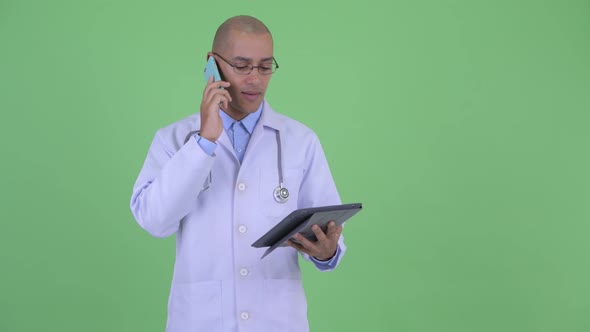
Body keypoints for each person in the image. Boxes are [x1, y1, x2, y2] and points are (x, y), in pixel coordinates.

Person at [130, 15, 345, 332]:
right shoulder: (175, 140)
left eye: (265, 66)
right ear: (212, 64)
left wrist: (327, 253)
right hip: (201, 321)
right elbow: (155, 221)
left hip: (278, 321)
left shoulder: (301, 141)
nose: (255, 79)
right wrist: (203, 143)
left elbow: (330, 229)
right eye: (242, 66)